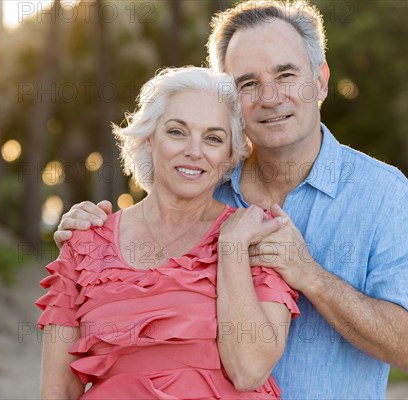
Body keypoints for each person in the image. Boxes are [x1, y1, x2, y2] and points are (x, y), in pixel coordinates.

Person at [54, 1, 408, 399]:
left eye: (286, 74)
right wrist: (89, 244)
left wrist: (310, 275)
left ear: (321, 80)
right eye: (247, 83)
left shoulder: (386, 197)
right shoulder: (203, 185)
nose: (270, 97)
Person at [37, 67, 300, 399]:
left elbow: (249, 371)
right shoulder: (85, 242)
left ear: (231, 154)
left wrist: (231, 248)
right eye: (177, 132)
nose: (194, 150)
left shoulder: (255, 237)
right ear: (150, 137)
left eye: (213, 138)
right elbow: (58, 390)